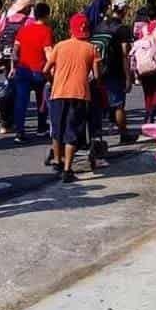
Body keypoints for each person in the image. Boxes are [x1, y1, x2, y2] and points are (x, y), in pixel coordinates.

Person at [44, 13, 100, 183]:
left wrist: (53, 81)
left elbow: (46, 70)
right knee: (72, 131)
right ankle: (68, 169)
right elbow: (96, 76)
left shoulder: (60, 46)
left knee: (57, 128)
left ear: (71, 29)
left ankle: (57, 161)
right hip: (80, 94)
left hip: (58, 93)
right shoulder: (92, 49)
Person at [92, 0, 136, 144]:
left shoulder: (100, 26)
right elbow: (124, 53)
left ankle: (96, 135)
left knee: (99, 104)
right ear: (123, 10)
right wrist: (128, 76)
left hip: (99, 69)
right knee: (118, 105)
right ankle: (124, 134)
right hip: (115, 70)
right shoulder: (122, 29)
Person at [11, 2, 54, 142]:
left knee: (21, 101)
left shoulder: (24, 29)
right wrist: (52, 69)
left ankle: (19, 131)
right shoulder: (46, 31)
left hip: (22, 69)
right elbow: (48, 52)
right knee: (42, 99)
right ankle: (41, 127)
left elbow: (15, 49)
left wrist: (14, 65)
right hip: (39, 71)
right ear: (47, 15)